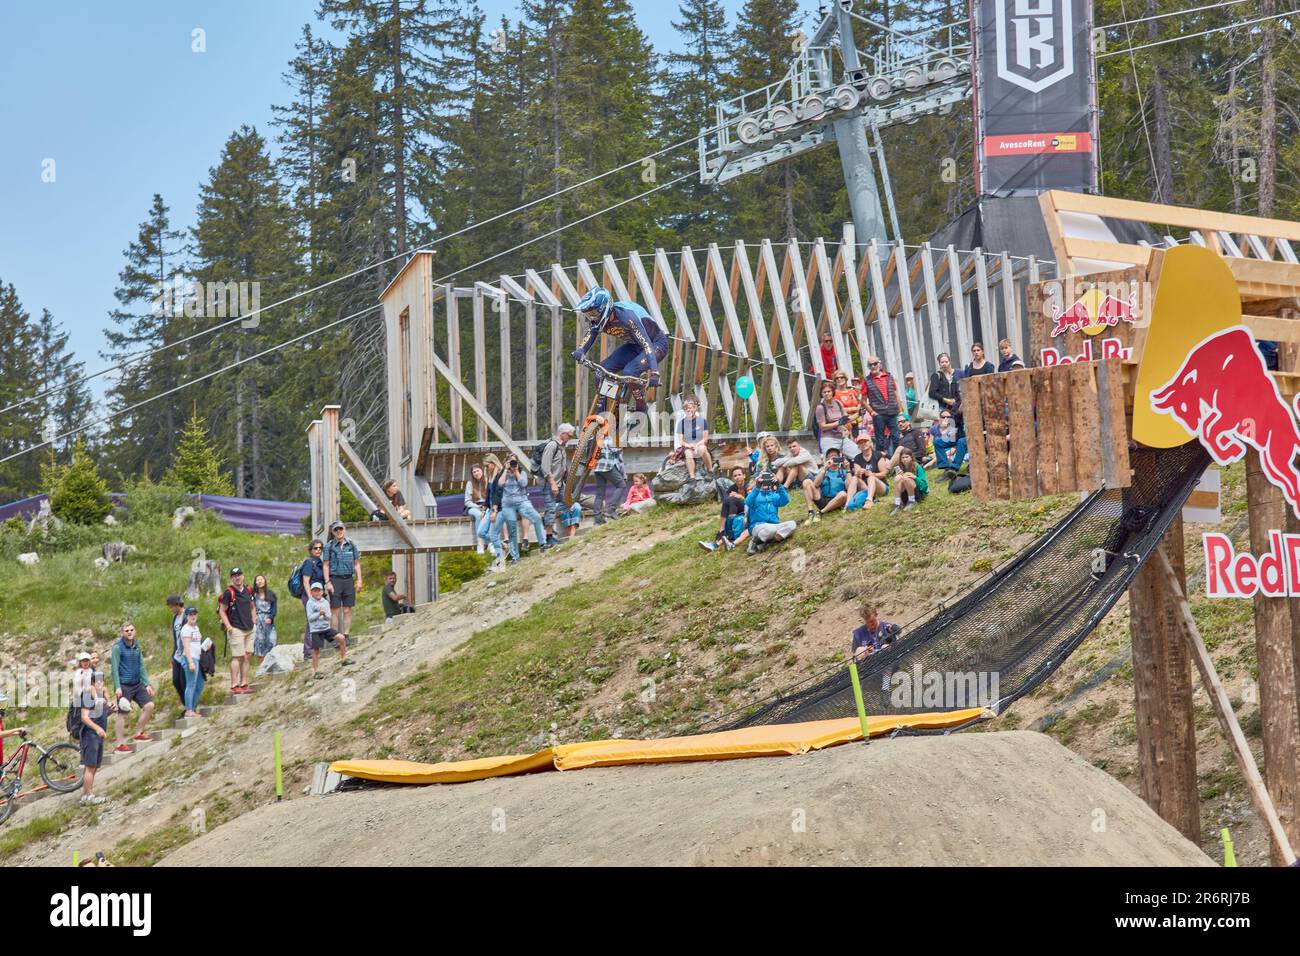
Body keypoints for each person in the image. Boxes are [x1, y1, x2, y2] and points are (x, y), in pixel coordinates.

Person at [573, 287, 668, 416]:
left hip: (655, 344)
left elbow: (647, 345)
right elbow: (591, 334)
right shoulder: (599, 321)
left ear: (604, 308)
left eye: (593, 313)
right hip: (634, 345)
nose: (591, 317)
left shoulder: (627, 317)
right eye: (588, 314)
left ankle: (641, 407)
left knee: (629, 371)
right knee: (601, 371)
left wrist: (655, 373)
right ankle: (608, 409)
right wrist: (580, 350)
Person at [495, 453, 552, 561]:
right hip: (507, 504)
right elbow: (500, 484)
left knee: (536, 518)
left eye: (514, 461)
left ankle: (542, 544)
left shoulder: (521, 472)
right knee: (512, 529)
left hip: (522, 501)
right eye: (510, 461)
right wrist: (505, 470)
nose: (512, 463)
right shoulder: (502, 473)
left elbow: (524, 483)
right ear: (506, 462)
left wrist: (516, 472)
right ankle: (515, 557)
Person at [108, 622, 154, 754]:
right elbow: (114, 669)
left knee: (149, 706)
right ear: (122, 632)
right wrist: (117, 687)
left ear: (135, 631)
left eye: (131, 630)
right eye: (126, 630)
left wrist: (147, 683)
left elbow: (141, 666)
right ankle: (119, 744)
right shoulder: (117, 647)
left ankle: (139, 732)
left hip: (137, 683)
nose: (129, 632)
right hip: (124, 685)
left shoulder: (136, 645)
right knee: (123, 714)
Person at [217, 567, 256, 695]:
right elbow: (222, 610)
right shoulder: (229, 593)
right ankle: (234, 685)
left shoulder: (248, 590)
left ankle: (244, 683)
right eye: (234, 575)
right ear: (231, 578)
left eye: (239, 575)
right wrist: (229, 627)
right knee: (237, 657)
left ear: (243, 576)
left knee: (247, 655)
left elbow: (252, 606)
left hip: (249, 627)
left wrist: (254, 620)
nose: (237, 577)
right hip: (236, 628)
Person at [323, 521, 362, 642]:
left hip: (348, 579)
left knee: (347, 609)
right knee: (335, 609)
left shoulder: (351, 544)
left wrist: (359, 580)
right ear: (332, 532)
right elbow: (325, 565)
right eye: (336, 530)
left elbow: (356, 564)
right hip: (335, 579)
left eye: (341, 529)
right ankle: (335, 637)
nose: (339, 531)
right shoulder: (329, 546)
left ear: (344, 530)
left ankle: (346, 635)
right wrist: (328, 582)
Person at [77, 670, 111, 806]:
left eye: (102, 680)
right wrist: (97, 728)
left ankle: (86, 794)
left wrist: (110, 710)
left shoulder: (100, 697)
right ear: (92, 682)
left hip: (98, 734)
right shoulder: (87, 695)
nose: (100, 683)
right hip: (90, 734)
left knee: (94, 765)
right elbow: (84, 717)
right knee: (90, 766)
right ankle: (88, 795)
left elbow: (99, 716)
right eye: (97, 681)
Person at [744, 471, 797, 555]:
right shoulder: (754, 494)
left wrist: (779, 485)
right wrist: (757, 487)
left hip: (773, 525)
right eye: (763, 478)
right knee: (771, 529)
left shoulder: (773, 495)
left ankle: (768, 541)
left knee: (792, 524)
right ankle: (755, 541)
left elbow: (785, 500)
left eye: (768, 478)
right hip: (757, 526)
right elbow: (748, 502)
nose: (765, 481)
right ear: (758, 480)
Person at [305, 580, 351, 678]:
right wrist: (319, 614)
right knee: (315, 650)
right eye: (315, 591)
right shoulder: (309, 603)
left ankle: (344, 659)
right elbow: (310, 618)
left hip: (326, 628)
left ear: (322, 592)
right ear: (312, 592)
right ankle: (316, 671)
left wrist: (324, 614)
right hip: (316, 630)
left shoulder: (325, 602)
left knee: (341, 638)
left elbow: (329, 616)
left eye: (319, 591)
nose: (317, 593)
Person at [539, 424, 575, 546]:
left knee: (567, 502)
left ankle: (547, 518)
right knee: (550, 508)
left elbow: (561, 465)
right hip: (550, 484)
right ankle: (549, 538)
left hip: (560, 483)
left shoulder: (562, 447)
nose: (570, 438)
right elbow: (545, 467)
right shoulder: (552, 445)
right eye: (569, 435)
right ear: (562, 434)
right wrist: (553, 483)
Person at [700, 466, 750, 552]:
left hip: (747, 509)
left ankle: (724, 534)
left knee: (732, 499)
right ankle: (722, 530)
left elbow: (752, 503)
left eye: (739, 475)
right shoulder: (732, 488)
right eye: (735, 476)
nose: (737, 477)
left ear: (744, 476)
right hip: (736, 512)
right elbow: (728, 504)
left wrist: (740, 497)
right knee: (727, 500)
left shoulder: (749, 486)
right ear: (732, 478)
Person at [800, 448, 855, 523]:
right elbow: (815, 485)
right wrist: (825, 469)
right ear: (827, 459)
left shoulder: (843, 471)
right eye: (831, 457)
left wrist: (848, 469)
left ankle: (821, 512)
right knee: (806, 482)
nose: (833, 458)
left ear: (839, 458)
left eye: (835, 456)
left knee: (843, 494)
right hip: (823, 499)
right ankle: (810, 512)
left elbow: (849, 487)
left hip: (838, 500)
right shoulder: (824, 471)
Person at [862, 356, 902, 456]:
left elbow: (896, 394)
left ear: (880, 364)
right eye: (870, 365)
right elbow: (863, 401)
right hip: (878, 414)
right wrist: (872, 412)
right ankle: (881, 462)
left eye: (875, 363)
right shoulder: (867, 380)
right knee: (880, 441)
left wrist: (901, 411)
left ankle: (898, 460)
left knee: (897, 437)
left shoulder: (889, 377)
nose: (873, 366)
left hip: (893, 412)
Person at [298, 540, 326, 661]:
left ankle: (314, 648)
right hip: (310, 597)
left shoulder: (319, 562)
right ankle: (308, 651)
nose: (318, 550)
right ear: (311, 550)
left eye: (320, 548)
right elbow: (306, 581)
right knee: (312, 621)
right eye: (315, 548)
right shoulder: (309, 563)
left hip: (318, 597)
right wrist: (310, 599)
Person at [176, 607, 205, 718]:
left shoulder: (195, 628)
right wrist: (190, 662)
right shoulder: (186, 629)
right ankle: (189, 710)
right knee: (191, 684)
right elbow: (187, 646)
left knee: (200, 683)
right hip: (190, 658)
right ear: (187, 616)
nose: (193, 616)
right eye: (190, 614)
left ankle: (192, 707)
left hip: (196, 657)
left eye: (194, 614)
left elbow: (196, 644)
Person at [591, 435, 626, 525]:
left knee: (600, 494)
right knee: (621, 485)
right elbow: (616, 451)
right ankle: (611, 510)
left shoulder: (595, 437)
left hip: (597, 467)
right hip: (607, 466)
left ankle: (598, 519)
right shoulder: (610, 437)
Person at [848, 435, 889, 508]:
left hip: (881, 486)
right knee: (854, 478)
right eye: (860, 442)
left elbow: (884, 473)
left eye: (865, 441)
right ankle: (848, 503)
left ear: (870, 443)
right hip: (866, 487)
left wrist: (872, 474)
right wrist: (858, 472)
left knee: (871, 477)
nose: (863, 444)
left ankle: (869, 500)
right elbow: (857, 475)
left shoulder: (877, 455)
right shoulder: (857, 458)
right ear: (858, 446)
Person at [814, 381, 852, 458]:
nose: (826, 394)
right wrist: (838, 423)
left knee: (858, 455)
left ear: (832, 392)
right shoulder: (820, 407)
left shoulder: (838, 402)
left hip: (842, 437)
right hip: (828, 439)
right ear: (821, 394)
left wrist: (859, 414)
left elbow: (846, 419)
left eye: (828, 391)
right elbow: (822, 427)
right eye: (824, 392)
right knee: (832, 462)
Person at [676, 399, 712, 479]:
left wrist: (697, 444)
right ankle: (692, 477)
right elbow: (681, 441)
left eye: (690, 408)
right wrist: (689, 446)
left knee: (703, 448)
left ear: (694, 408)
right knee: (688, 453)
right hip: (688, 446)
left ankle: (710, 470)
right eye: (686, 409)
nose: (688, 410)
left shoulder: (702, 421)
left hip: (699, 444)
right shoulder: (681, 423)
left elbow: (705, 439)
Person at [890, 447, 928, 514]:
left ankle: (912, 501)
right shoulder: (901, 467)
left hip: (918, 494)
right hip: (905, 496)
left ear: (911, 457)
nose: (905, 459)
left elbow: (925, 486)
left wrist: (915, 477)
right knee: (898, 478)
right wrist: (899, 477)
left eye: (907, 457)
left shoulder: (917, 467)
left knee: (906, 477)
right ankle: (897, 503)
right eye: (903, 458)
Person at [932, 409, 967, 478]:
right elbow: (950, 436)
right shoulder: (936, 427)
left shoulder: (956, 418)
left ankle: (954, 468)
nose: (946, 418)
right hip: (957, 436)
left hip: (969, 436)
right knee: (938, 441)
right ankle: (945, 467)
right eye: (943, 417)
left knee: (961, 441)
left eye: (948, 417)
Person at [464, 465, 491, 553]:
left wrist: (485, 507)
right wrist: (478, 507)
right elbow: (467, 502)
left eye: (477, 471)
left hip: (486, 505)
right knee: (478, 514)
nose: (476, 473)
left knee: (489, 514)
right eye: (474, 472)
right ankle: (480, 543)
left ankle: (491, 543)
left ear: (482, 471)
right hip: (473, 506)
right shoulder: (470, 483)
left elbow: (490, 497)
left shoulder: (488, 481)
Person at [928, 352, 960, 423]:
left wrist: (955, 400)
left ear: (949, 362)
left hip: (953, 407)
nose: (944, 364)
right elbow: (932, 393)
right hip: (941, 407)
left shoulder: (952, 375)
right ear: (939, 363)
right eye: (942, 362)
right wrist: (945, 400)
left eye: (946, 361)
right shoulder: (936, 375)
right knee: (944, 428)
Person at [166, 594, 186, 706]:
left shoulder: (187, 615)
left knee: (184, 681)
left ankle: (190, 706)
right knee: (176, 681)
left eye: (171, 607)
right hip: (177, 654)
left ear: (177, 605)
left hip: (186, 654)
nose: (170, 609)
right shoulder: (175, 618)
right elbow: (176, 639)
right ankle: (186, 705)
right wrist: (173, 655)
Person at [252, 574, 277, 659]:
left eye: (261, 579)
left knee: (272, 640)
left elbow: (274, 608)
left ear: (265, 581)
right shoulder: (253, 595)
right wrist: (253, 618)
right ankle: (261, 667)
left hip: (268, 620)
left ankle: (271, 663)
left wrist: (271, 617)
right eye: (257, 580)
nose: (260, 581)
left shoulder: (271, 594)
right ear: (255, 583)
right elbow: (251, 607)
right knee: (260, 641)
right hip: (258, 620)